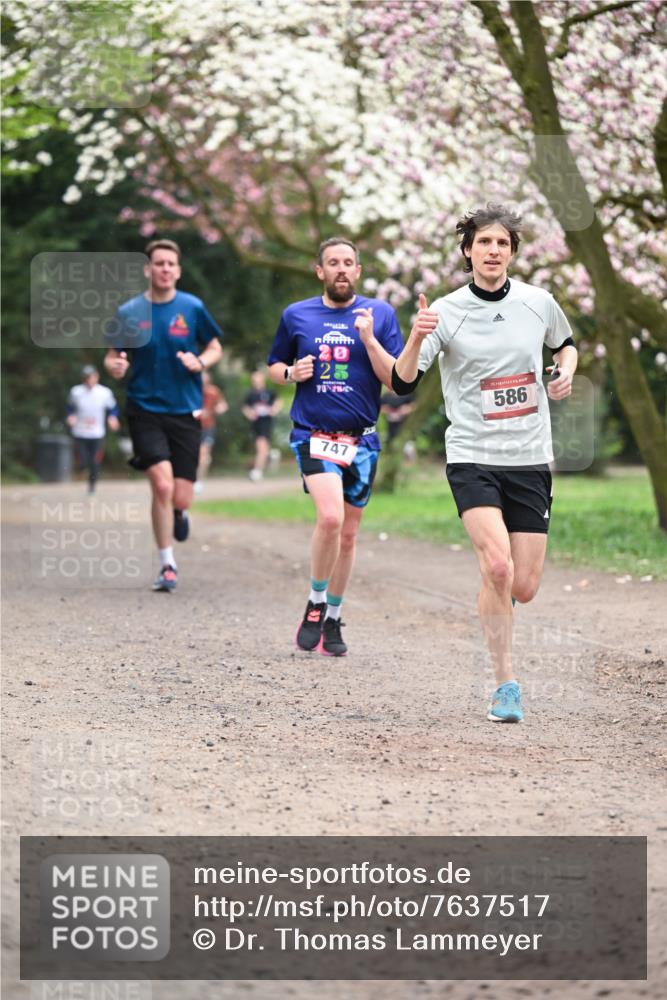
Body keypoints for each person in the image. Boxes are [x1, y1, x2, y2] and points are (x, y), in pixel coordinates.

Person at [392, 203, 577, 723]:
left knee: (523, 585)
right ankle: (506, 684)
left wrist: (563, 372)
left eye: (502, 243)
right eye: (484, 243)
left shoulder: (538, 302)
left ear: (512, 252)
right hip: (473, 455)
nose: (493, 251)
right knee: (497, 566)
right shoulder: (446, 311)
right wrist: (416, 334)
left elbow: (565, 345)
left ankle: (500, 600)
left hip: (529, 457)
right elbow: (404, 381)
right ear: (468, 251)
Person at [267, 236, 404, 656]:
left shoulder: (379, 315)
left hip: (362, 439)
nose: (341, 269)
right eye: (333, 262)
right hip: (314, 434)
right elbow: (274, 366)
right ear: (320, 271)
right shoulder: (296, 315)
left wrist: (369, 340)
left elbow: (396, 380)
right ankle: (315, 600)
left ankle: (334, 617)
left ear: (358, 271)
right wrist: (291, 372)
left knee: (348, 535)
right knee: (330, 518)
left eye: (348, 262)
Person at [104, 239, 223, 592]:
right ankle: (167, 564)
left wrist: (200, 361)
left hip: (185, 410)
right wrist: (115, 366)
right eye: (159, 263)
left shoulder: (193, 307)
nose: (165, 269)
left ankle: (179, 512)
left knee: (181, 496)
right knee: (162, 484)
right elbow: (112, 356)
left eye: (171, 264)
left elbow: (215, 346)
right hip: (144, 409)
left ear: (178, 271)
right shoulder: (128, 313)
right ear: (148, 269)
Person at [66, 365, 120, 493]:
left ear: (97, 377)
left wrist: (113, 418)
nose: (89, 380)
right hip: (80, 432)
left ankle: (92, 486)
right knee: (83, 462)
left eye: (91, 377)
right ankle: (82, 469)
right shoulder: (76, 392)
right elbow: (69, 407)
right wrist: (70, 416)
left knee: (95, 462)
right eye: (86, 377)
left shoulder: (104, 392)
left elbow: (113, 408)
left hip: (97, 433)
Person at [242, 370, 282, 481]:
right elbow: (245, 407)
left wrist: (274, 409)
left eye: (258, 379)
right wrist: (249, 414)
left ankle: (257, 471)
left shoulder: (269, 392)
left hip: (267, 422)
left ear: (263, 380)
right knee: (262, 448)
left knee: (261, 447)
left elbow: (278, 402)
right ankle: (270, 456)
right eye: (254, 380)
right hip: (256, 424)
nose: (256, 382)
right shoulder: (250, 394)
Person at [195, 371, 228, 493]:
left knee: (203, 454)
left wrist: (219, 409)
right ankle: (190, 479)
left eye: (205, 382)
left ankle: (198, 481)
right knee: (194, 454)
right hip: (192, 427)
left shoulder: (213, 392)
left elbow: (223, 405)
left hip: (208, 427)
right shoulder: (192, 391)